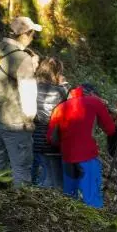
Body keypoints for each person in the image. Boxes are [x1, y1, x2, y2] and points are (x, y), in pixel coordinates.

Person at [0, 16, 41, 187]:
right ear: (26, 35)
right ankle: (21, 209)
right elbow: (28, 93)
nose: (33, 37)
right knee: (20, 167)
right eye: (32, 34)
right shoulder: (23, 58)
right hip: (13, 122)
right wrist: (29, 120)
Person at [47, 83, 116, 207]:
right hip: (87, 156)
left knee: (69, 198)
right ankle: (95, 223)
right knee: (91, 197)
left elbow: (51, 138)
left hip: (67, 157)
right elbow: (110, 129)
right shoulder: (95, 103)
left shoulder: (60, 107)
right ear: (91, 93)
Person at [32, 57, 68, 189]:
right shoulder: (61, 91)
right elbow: (68, 106)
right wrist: (64, 85)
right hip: (52, 135)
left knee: (34, 168)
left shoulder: (32, 86)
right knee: (54, 175)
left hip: (33, 134)